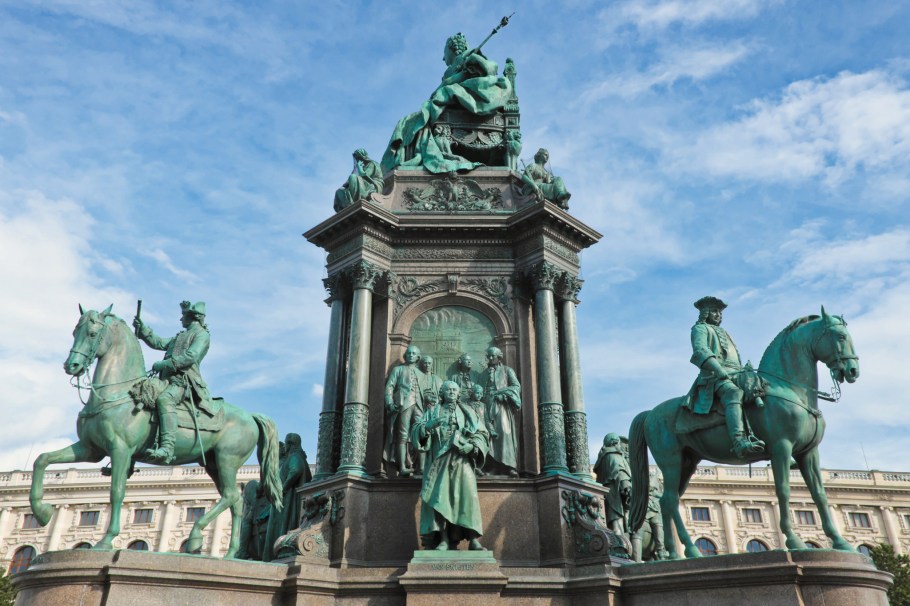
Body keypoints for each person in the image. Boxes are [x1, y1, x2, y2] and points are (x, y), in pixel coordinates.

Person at [381, 32, 512, 174]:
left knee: (418, 118)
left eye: (445, 52)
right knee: (407, 122)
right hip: (451, 102)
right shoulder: (453, 67)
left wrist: (469, 66)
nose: (443, 58)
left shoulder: (471, 57)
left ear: (453, 49)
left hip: (464, 101)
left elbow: (488, 69)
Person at [411, 381, 489, 550]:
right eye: (448, 390)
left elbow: (482, 433)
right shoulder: (432, 411)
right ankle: (443, 539)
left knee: (468, 497)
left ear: (458, 393)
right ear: (442, 393)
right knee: (440, 499)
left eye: (455, 390)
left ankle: (473, 538)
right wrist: (428, 427)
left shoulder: (468, 412)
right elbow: (416, 430)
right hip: (439, 461)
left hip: (462, 459)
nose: (452, 392)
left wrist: (472, 447)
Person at [133, 300, 212, 464]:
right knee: (142, 395)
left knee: (165, 399)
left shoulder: (202, 335)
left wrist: (165, 364)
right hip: (166, 380)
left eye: (183, 315)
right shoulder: (180, 336)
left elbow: (191, 356)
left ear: (192, 317)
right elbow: (159, 342)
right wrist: (143, 328)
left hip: (184, 382)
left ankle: (167, 448)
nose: (180, 319)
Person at [687, 296, 766, 458]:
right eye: (714, 311)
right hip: (713, 377)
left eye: (720, 312)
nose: (719, 315)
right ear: (705, 313)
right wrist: (718, 369)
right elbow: (700, 351)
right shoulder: (700, 329)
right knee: (734, 393)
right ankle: (739, 442)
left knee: (766, 390)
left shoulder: (724, 332)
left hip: (737, 374)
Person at [383, 345, 424, 477]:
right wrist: (389, 402)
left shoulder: (422, 374)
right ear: (405, 356)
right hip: (404, 404)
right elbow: (389, 386)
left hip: (419, 406)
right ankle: (402, 467)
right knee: (402, 435)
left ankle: (422, 467)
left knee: (421, 434)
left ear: (418, 357)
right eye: (409, 353)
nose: (411, 355)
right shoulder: (398, 369)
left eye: (414, 353)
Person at [481, 346, 521, 477]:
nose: (491, 358)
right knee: (489, 436)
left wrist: (504, 394)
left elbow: (516, 386)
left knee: (504, 434)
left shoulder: (506, 371)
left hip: (502, 406)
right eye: (489, 356)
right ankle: (493, 466)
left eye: (493, 356)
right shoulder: (483, 374)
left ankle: (508, 466)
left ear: (499, 357)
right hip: (487, 405)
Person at [593, 433, 631, 535]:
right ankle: (619, 545)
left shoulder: (602, 458)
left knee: (611, 520)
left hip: (604, 494)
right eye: (619, 443)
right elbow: (620, 471)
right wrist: (626, 486)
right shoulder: (615, 455)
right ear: (615, 442)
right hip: (614, 492)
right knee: (617, 522)